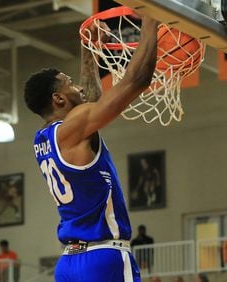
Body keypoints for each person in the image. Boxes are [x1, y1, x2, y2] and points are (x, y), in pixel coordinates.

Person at [26, 12, 158, 282]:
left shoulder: (43, 139)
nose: (78, 87)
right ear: (58, 98)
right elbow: (137, 81)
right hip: (103, 259)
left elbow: (90, 104)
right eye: (69, 83)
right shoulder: (71, 131)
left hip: (69, 263)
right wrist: (151, 22)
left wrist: (90, 53)